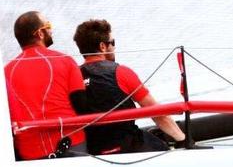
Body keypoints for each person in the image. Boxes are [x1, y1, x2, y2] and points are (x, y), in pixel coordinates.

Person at [72, 19, 187, 155]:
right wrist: (184, 139)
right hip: (127, 146)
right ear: (102, 46)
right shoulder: (121, 72)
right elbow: (158, 114)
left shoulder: (73, 77)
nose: (114, 47)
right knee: (163, 147)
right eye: (112, 43)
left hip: (94, 150)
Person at [4, 11, 87, 159]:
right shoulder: (65, 60)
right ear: (40, 33)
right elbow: (81, 105)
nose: (51, 30)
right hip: (71, 143)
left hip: (29, 152)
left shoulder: (6, 72)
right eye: (48, 26)